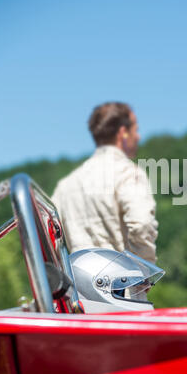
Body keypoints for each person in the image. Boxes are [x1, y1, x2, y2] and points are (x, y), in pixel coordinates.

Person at [52, 102, 158, 264]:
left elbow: (48, 236)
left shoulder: (65, 186)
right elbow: (142, 224)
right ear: (123, 133)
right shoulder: (128, 173)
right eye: (136, 130)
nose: (139, 136)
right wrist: (144, 271)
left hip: (77, 286)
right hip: (121, 285)